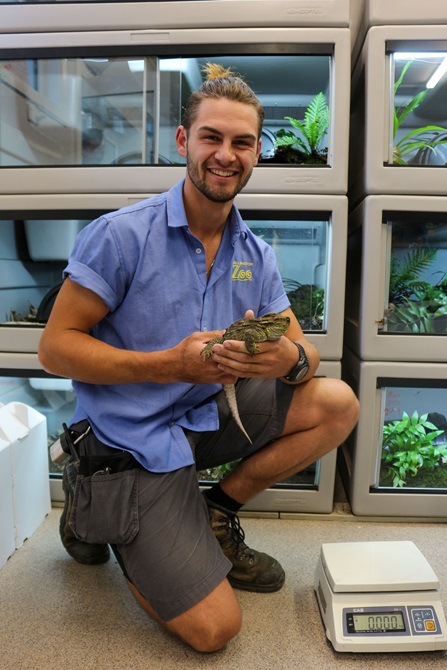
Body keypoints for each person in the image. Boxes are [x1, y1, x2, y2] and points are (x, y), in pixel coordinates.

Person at [38, 63, 359, 653]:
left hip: (203, 417)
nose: (225, 155)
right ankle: (93, 499)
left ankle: (214, 511)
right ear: (184, 142)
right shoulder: (120, 235)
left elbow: (306, 355)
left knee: (336, 402)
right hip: (133, 439)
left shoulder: (254, 254)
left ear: (256, 152)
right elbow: (55, 348)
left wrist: (288, 358)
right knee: (215, 631)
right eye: (211, 137)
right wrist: (168, 365)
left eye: (241, 142)